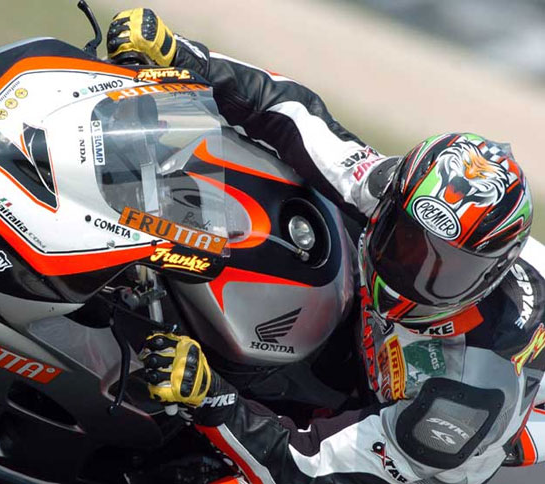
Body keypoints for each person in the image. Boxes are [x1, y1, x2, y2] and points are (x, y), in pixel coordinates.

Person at [107, 8, 545, 484]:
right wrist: (187, 57)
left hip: (431, 453)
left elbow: (315, 470)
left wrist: (214, 398)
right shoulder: (396, 191)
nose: (411, 271)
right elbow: (294, 116)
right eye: (405, 240)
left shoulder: (464, 395)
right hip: (371, 349)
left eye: (444, 271)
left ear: (490, 277)